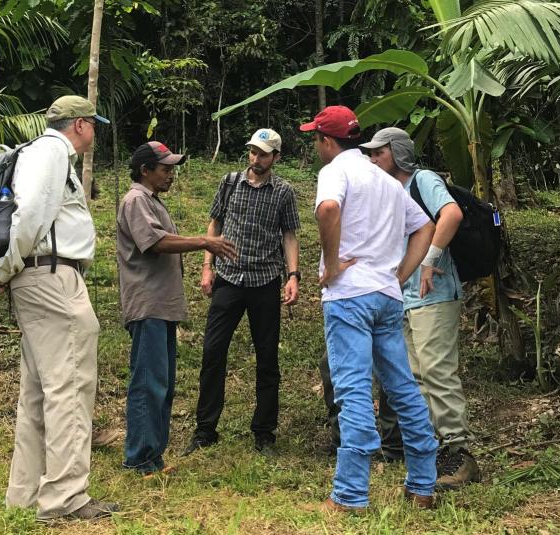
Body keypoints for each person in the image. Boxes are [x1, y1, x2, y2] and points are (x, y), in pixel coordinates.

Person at [300, 105, 438, 513]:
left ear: (327, 141)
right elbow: (425, 227)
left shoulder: (335, 171)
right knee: (402, 389)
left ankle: (350, 494)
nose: (315, 145)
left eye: (315, 138)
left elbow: (328, 210)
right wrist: (398, 276)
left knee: (354, 390)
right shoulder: (387, 180)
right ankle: (422, 486)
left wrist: (333, 261)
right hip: (386, 297)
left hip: (349, 297)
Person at [0, 95, 118, 525]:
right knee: (70, 385)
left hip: (40, 275)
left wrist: (9, 270)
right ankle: (64, 496)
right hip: (51, 276)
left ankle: (26, 495)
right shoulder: (50, 152)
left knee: (39, 391)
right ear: (80, 125)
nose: (94, 132)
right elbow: (28, 217)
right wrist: (6, 267)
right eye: (93, 124)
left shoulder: (38, 153)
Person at [363, 126, 480, 489]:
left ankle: (459, 452)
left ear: (397, 153)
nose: (372, 158)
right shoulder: (387, 190)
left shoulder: (422, 179)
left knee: (436, 371)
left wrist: (429, 260)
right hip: (405, 296)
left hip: (435, 292)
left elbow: (451, 215)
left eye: (379, 152)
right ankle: (435, 450)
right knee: (414, 375)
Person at [117, 141, 237, 476]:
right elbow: (155, 243)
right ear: (145, 170)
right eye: (165, 168)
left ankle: (152, 456)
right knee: (148, 382)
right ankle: (140, 458)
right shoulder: (136, 199)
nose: (171, 174)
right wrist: (205, 241)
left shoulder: (151, 201)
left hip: (162, 306)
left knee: (162, 382)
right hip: (148, 305)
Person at [184, 128, 301, 456]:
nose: (255, 159)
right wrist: (207, 267)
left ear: (275, 158)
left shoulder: (283, 192)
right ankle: (205, 429)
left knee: (267, 359)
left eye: (263, 154)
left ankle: (264, 431)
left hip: (264, 280)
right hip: (229, 280)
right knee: (212, 352)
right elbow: (215, 225)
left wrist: (293, 275)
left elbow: (289, 235)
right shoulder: (230, 182)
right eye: (253, 152)